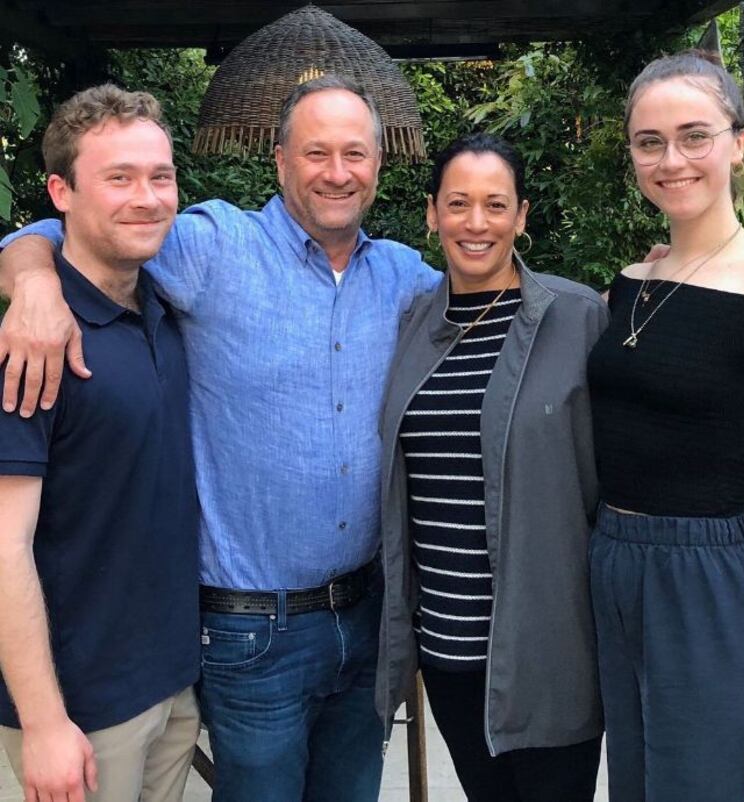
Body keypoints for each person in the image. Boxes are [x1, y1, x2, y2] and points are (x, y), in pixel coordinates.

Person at [0, 74, 440, 802]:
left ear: (378, 164)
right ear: (280, 160)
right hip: (251, 633)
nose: (337, 172)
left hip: (365, 620)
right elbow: (85, 227)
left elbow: (493, 292)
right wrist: (33, 279)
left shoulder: (403, 278)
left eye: (355, 153)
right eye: (316, 152)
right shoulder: (214, 249)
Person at [587, 50, 744, 802]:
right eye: (650, 142)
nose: (671, 160)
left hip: (709, 580)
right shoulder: (631, 285)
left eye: (694, 136)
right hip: (613, 567)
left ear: (739, 143)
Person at [375, 133, 607, 801]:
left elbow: (614, 478)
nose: (476, 223)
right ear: (432, 213)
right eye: (458, 203)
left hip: (548, 656)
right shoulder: (411, 324)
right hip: (447, 652)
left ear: (521, 215)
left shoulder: (577, 318)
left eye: (495, 204)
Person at [0, 85, 200, 802]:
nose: (146, 198)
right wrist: (44, 722)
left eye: (160, 176)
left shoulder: (164, 311)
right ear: (61, 192)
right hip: (81, 710)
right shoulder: (33, 346)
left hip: (171, 683)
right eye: (119, 177)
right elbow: (3, 546)